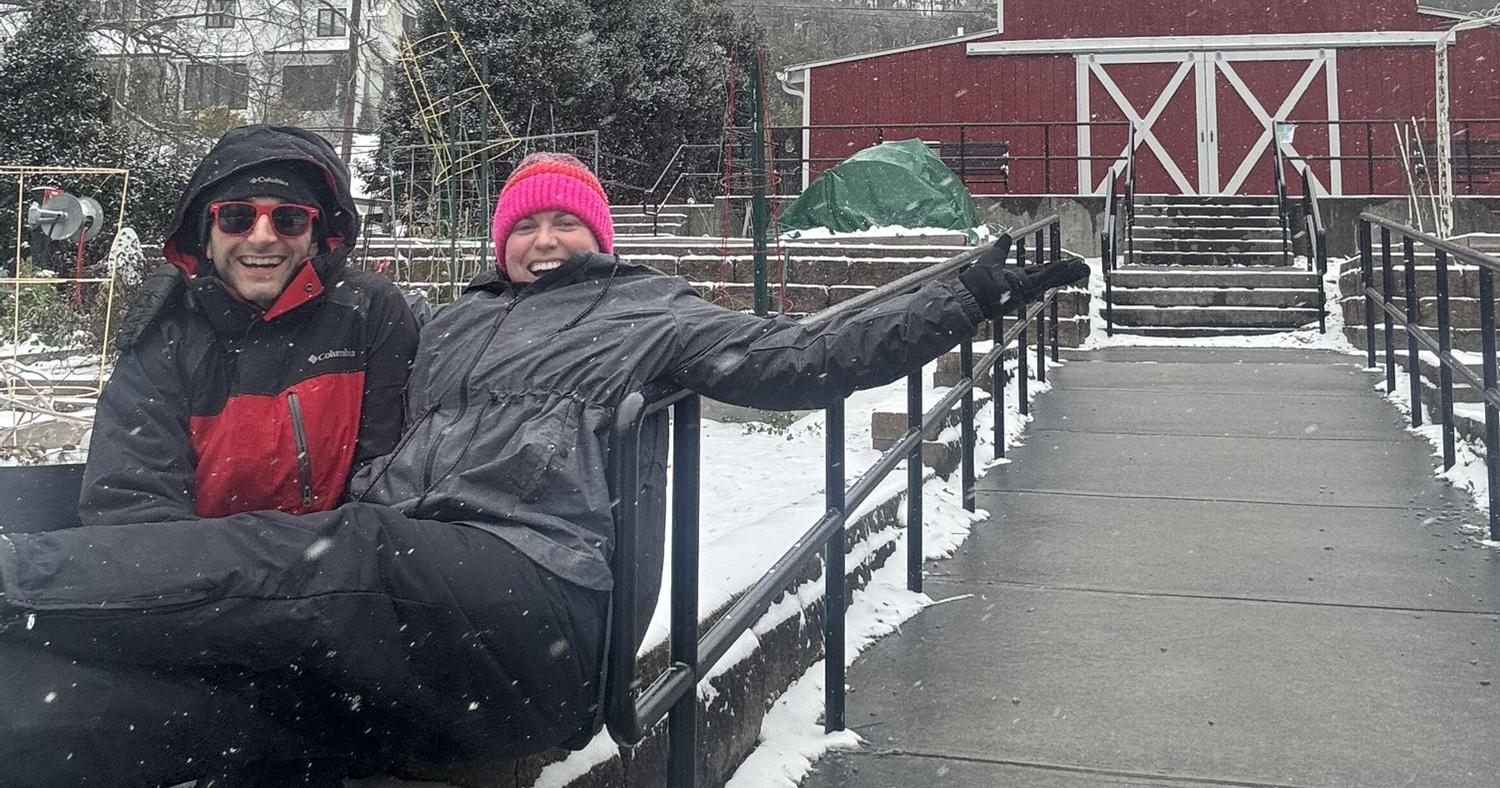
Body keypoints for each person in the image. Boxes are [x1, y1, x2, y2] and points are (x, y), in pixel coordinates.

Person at [0, 152, 1087, 787]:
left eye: (569, 219)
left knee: (340, 554)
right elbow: (329, 389)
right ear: (502, 241)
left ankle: (16, 580)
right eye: (528, 225)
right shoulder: (449, 326)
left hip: (537, 590)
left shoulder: (653, 311)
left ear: (600, 235)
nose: (547, 239)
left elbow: (803, 361)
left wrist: (964, 295)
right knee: (241, 683)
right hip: (421, 599)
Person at [80, 124, 422, 523]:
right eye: (235, 217)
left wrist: (313, 554)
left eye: (289, 219)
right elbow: (130, 506)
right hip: (197, 560)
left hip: (337, 557)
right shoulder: (166, 331)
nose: (261, 237)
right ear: (207, 238)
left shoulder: (368, 313)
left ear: (316, 238)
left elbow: (388, 483)